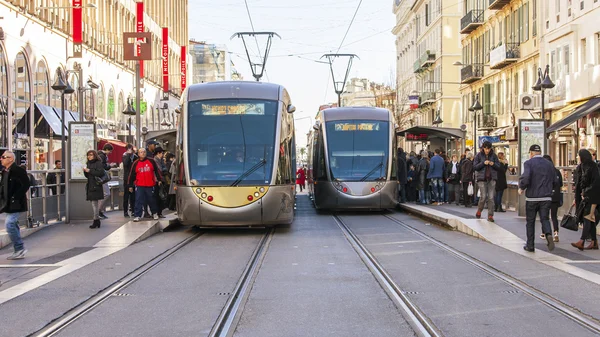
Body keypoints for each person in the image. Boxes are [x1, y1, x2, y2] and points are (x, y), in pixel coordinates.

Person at [518, 144, 558, 252]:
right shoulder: (549, 164)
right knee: (545, 218)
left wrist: (522, 187)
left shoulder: (528, 163)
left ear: (531, 153)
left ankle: (530, 245)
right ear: (540, 152)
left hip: (532, 198)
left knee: (530, 221)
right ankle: (548, 234)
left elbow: (526, 178)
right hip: (546, 197)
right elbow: (555, 180)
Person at [0, 151, 30, 259]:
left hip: (16, 203)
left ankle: (19, 248)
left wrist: (16, 197)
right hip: (7, 203)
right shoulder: (5, 171)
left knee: (9, 224)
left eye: (4, 157)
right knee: (13, 224)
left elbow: (26, 184)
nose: (1, 159)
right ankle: (18, 249)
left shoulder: (18, 170)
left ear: (11, 159)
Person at [571, 149, 600, 250]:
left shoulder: (593, 166)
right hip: (586, 197)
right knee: (590, 219)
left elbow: (596, 183)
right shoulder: (582, 166)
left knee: (587, 217)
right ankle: (594, 242)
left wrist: (586, 192)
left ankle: (582, 241)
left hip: (593, 197)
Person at [128, 148, 162, 222]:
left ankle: (154, 213)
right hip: (139, 185)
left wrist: (159, 179)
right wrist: (130, 185)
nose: (142, 153)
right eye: (141, 152)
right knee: (138, 200)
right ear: (138, 154)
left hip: (150, 184)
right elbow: (131, 175)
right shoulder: (135, 163)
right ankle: (137, 215)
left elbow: (157, 170)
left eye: (144, 152)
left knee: (151, 199)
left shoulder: (151, 161)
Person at [473, 141, 500, 222]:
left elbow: (498, 167)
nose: (487, 150)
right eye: (485, 148)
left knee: (491, 197)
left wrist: (493, 164)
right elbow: (475, 167)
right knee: (483, 196)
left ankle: (490, 215)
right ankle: (479, 210)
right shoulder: (479, 155)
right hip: (482, 179)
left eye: (488, 149)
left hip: (492, 178)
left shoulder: (494, 155)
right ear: (483, 148)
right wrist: (483, 163)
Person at [540, 155, 562, 243]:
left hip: (546, 196)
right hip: (555, 196)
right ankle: (556, 233)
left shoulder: (543, 172)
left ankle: (544, 232)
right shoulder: (557, 171)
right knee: (554, 216)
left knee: (544, 215)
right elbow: (560, 184)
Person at [84, 150, 107, 229]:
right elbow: (87, 176)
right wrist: (86, 171)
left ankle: (96, 220)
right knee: (94, 203)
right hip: (90, 184)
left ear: (95, 155)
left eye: (91, 155)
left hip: (96, 185)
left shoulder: (98, 163)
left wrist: (90, 171)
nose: (89, 156)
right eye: (88, 155)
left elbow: (100, 173)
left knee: (94, 203)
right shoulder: (88, 163)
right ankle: (96, 220)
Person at [98, 143, 117, 219]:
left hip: (100, 177)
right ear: (107, 149)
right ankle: (98, 211)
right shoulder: (102, 156)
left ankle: (99, 211)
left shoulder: (100, 155)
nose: (110, 153)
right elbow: (104, 166)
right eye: (110, 151)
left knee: (104, 194)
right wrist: (110, 165)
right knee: (106, 193)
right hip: (101, 178)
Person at [122, 144, 137, 217]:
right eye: (128, 149)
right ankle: (125, 211)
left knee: (133, 196)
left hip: (134, 178)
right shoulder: (125, 155)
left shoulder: (135, 156)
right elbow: (126, 163)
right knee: (126, 196)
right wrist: (128, 155)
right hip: (127, 178)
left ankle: (133, 210)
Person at [153, 147, 168, 218]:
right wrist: (159, 180)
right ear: (158, 153)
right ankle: (157, 212)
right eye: (162, 153)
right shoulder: (155, 160)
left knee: (161, 196)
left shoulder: (161, 160)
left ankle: (159, 212)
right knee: (158, 196)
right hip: (157, 181)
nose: (163, 154)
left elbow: (164, 168)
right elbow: (158, 170)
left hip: (161, 180)